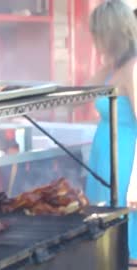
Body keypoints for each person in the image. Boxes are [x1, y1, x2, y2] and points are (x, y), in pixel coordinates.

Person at [85, 0, 137, 260]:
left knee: (125, 236)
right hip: (102, 155)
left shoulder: (133, 70)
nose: (94, 39)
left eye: (97, 33)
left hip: (125, 158)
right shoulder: (111, 67)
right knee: (102, 231)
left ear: (111, 33)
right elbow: (80, 94)